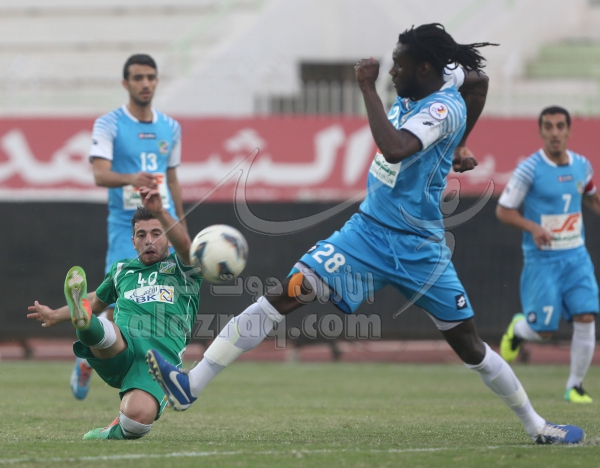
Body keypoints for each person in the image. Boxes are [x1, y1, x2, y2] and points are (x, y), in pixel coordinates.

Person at [147, 24, 584, 444]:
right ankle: (191, 384)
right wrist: (461, 144)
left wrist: (367, 88)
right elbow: (478, 80)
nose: (391, 72)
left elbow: (395, 148)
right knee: (286, 293)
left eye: (399, 65)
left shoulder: (442, 109)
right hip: (366, 235)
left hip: (419, 249)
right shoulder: (441, 78)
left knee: (470, 347)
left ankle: (537, 426)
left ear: (424, 70)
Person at [27, 188, 201, 439]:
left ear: (169, 238)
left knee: (136, 421)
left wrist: (161, 211)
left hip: (160, 361)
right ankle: (86, 324)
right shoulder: (122, 270)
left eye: (157, 233)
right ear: (133, 241)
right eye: (141, 235)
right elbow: (96, 300)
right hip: (123, 343)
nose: (149, 240)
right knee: (98, 323)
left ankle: (111, 431)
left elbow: (185, 246)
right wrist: (55, 315)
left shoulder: (184, 269)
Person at [70, 53, 187, 400]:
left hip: (162, 224)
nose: (145, 83)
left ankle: (156, 359)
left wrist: (181, 223)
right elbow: (99, 174)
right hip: (127, 226)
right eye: (138, 77)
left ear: (157, 81)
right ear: (126, 83)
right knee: (112, 299)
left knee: (170, 294)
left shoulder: (171, 127)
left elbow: (172, 179)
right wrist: (131, 178)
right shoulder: (109, 124)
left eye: (150, 77)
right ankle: (90, 358)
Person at [497, 106, 599, 403]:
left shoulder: (582, 165)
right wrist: (532, 227)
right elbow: (503, 210)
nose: (555, 133)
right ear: (541, 131)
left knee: (586, 316)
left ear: (569, 130)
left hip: (577, 257)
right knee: (543, 331)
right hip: (543, 260)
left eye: (560, 126)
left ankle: (575, 387)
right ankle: (518, 330)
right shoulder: (529, 169)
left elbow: (591, 197)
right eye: (549, 127)